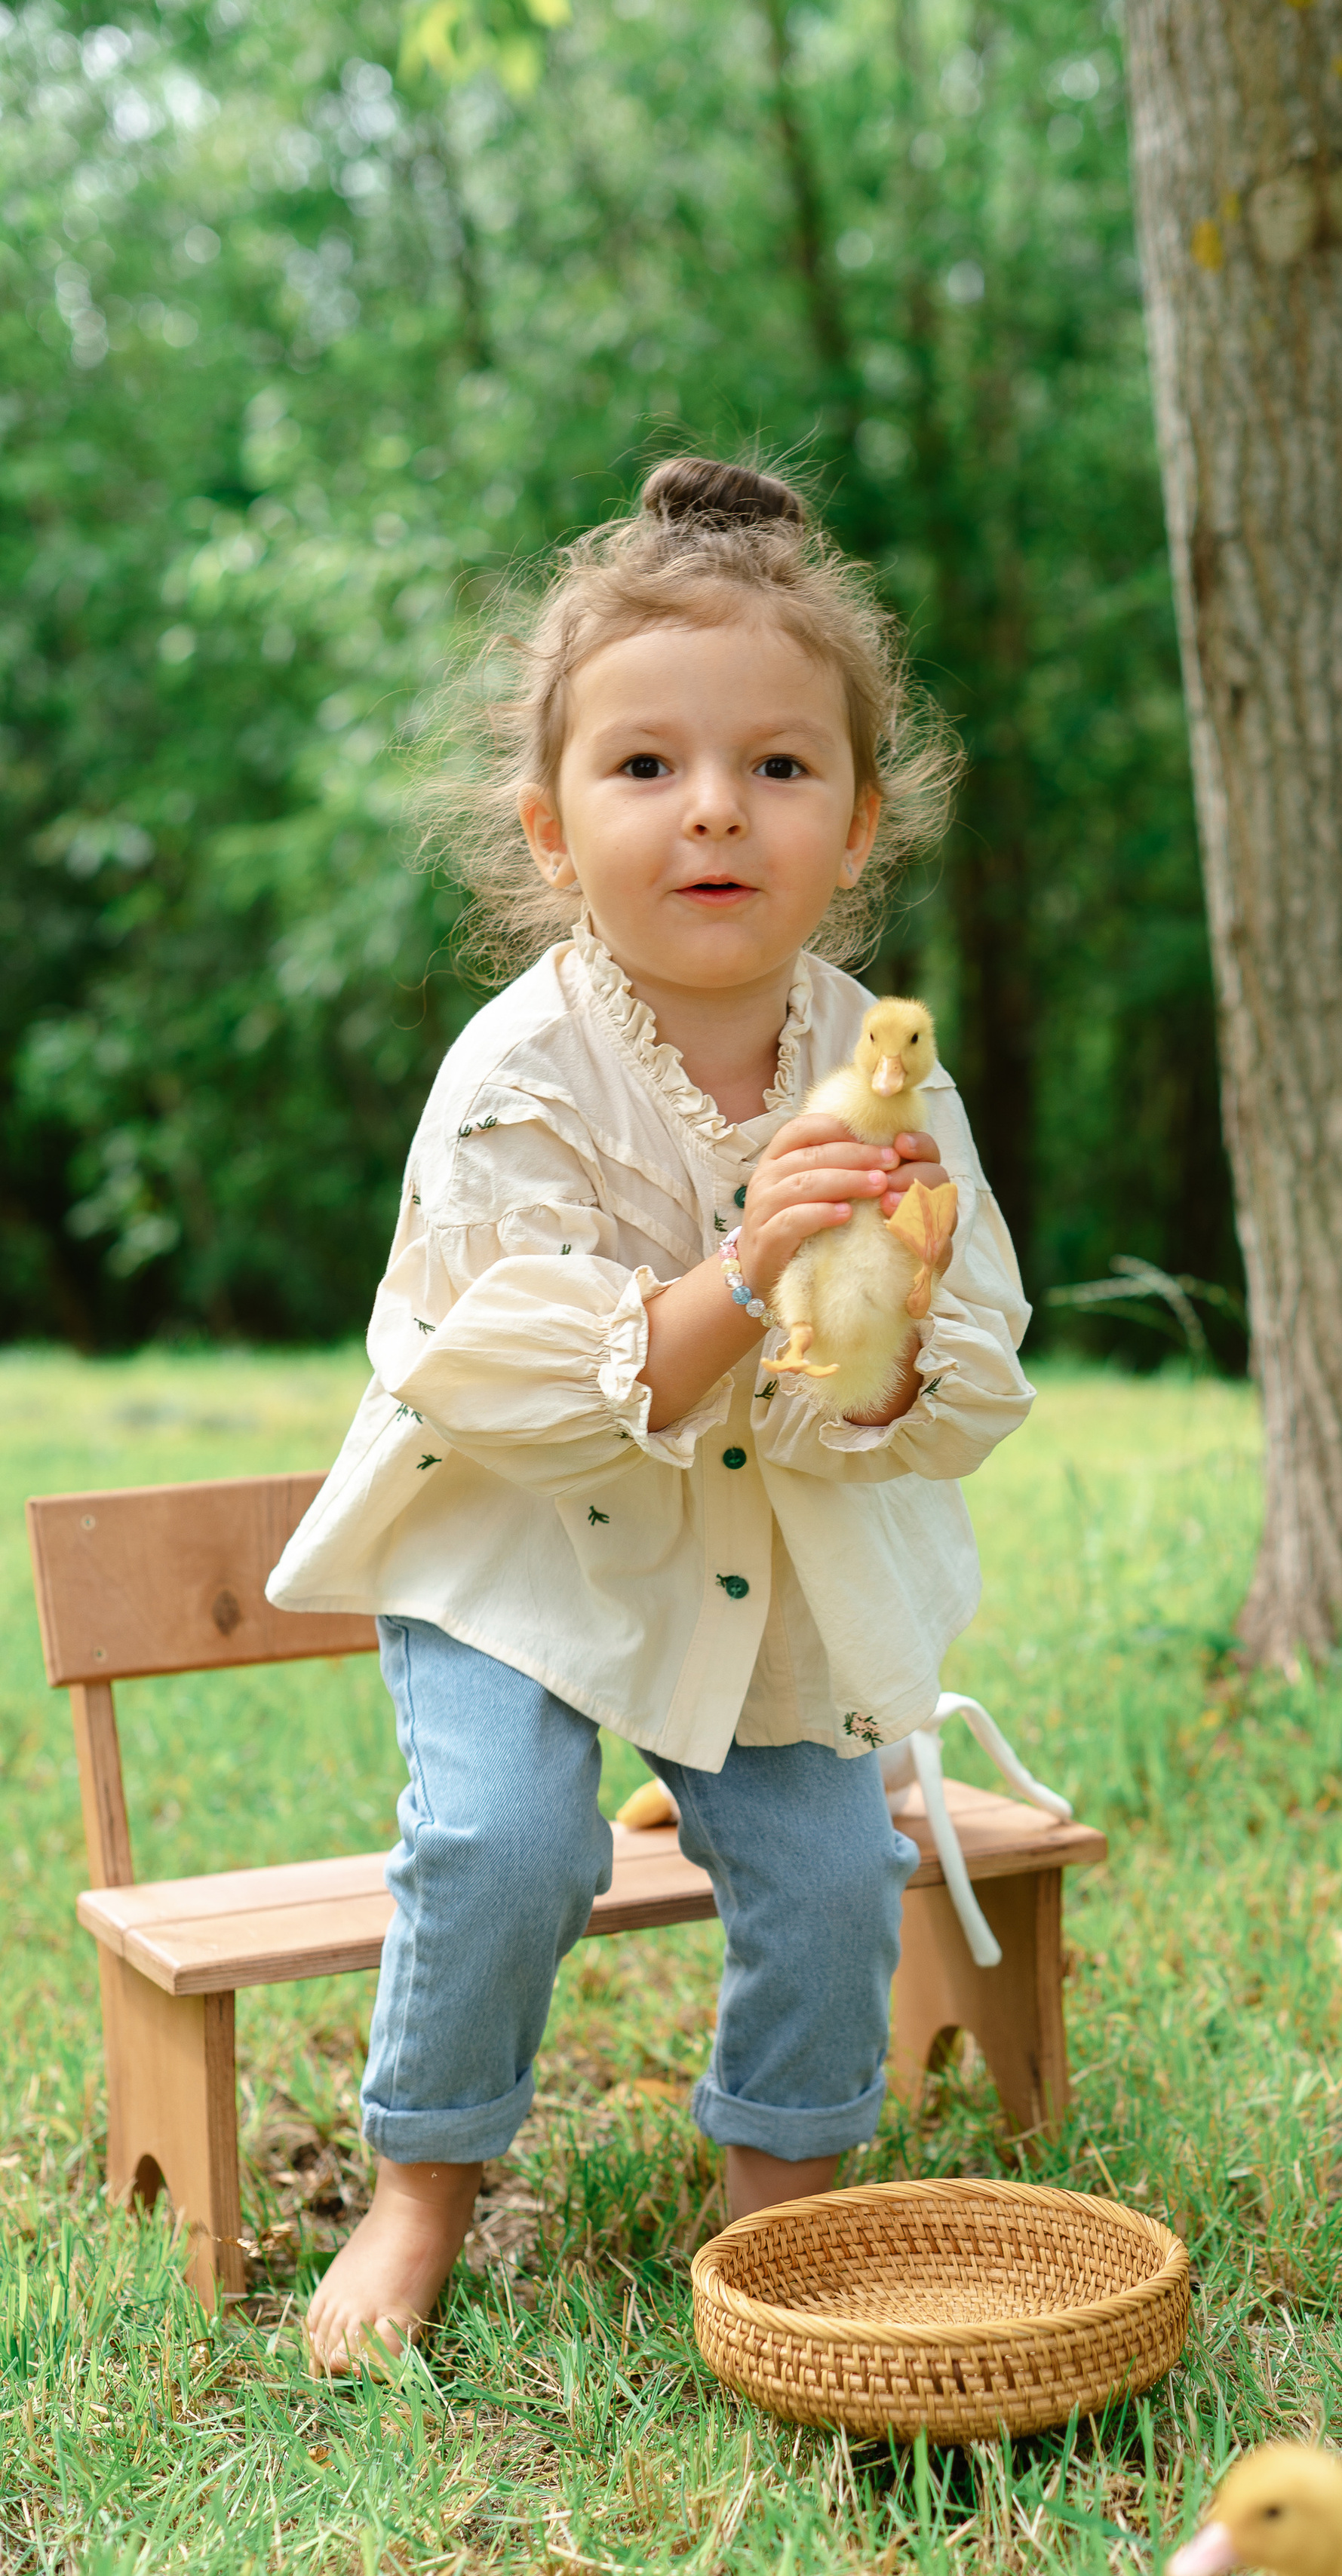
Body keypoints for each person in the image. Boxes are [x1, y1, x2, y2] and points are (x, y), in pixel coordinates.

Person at [268, 456, 1033, 2372]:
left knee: (826, 1861)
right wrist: (750, 1273)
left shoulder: (884, 1074)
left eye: (779, 768)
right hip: (512, 1541)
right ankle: (425, 2180)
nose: (714, 810)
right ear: (548, 826)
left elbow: (965, 1367)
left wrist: (895, 1332)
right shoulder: (516, 1075)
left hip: (740, 1553)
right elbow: (513, 1384)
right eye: (644, 770)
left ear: (856, 826)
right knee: (508, 1841)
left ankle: (777, 2185)